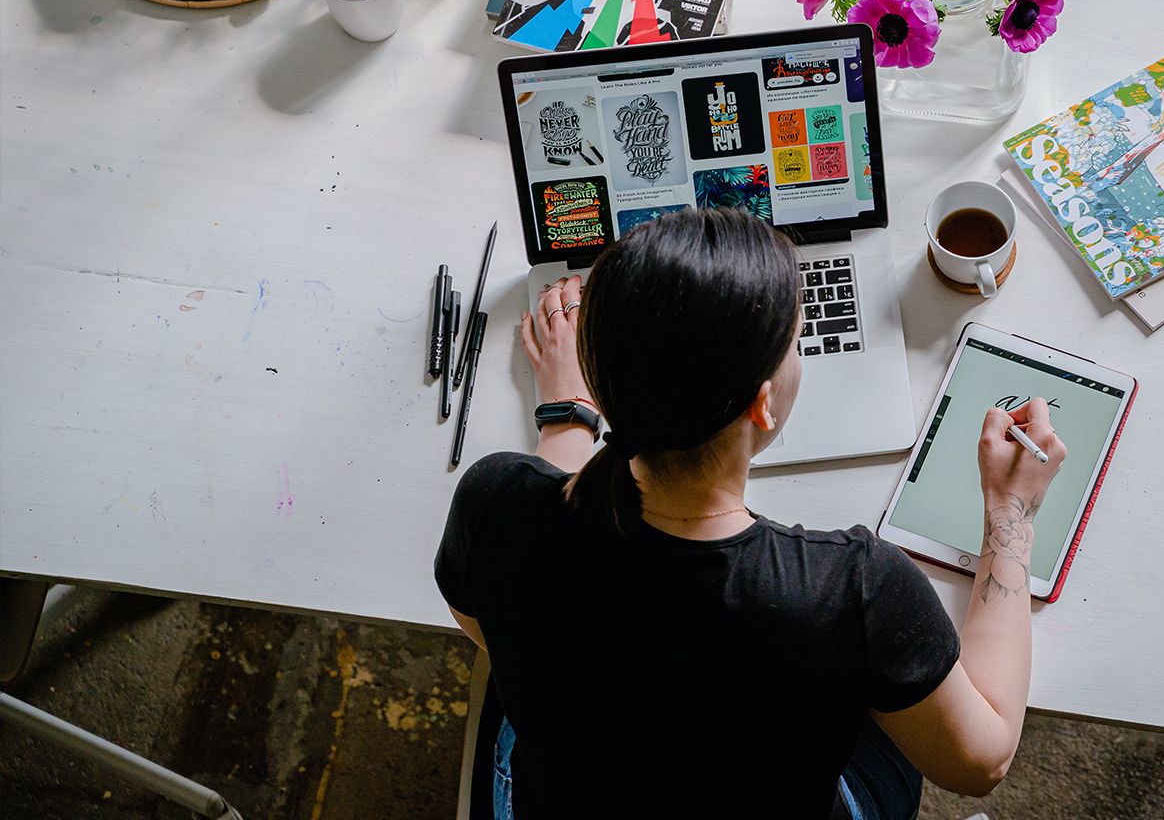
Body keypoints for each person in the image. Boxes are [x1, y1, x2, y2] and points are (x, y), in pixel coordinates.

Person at [434, 208, 1066, 818]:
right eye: (795, 342)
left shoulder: (495, 501)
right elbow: (980, 764)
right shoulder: (852, 590)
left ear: (604, 380)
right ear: (763, 406)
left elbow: (486, 623)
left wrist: (567, 410)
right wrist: (1011, 511)